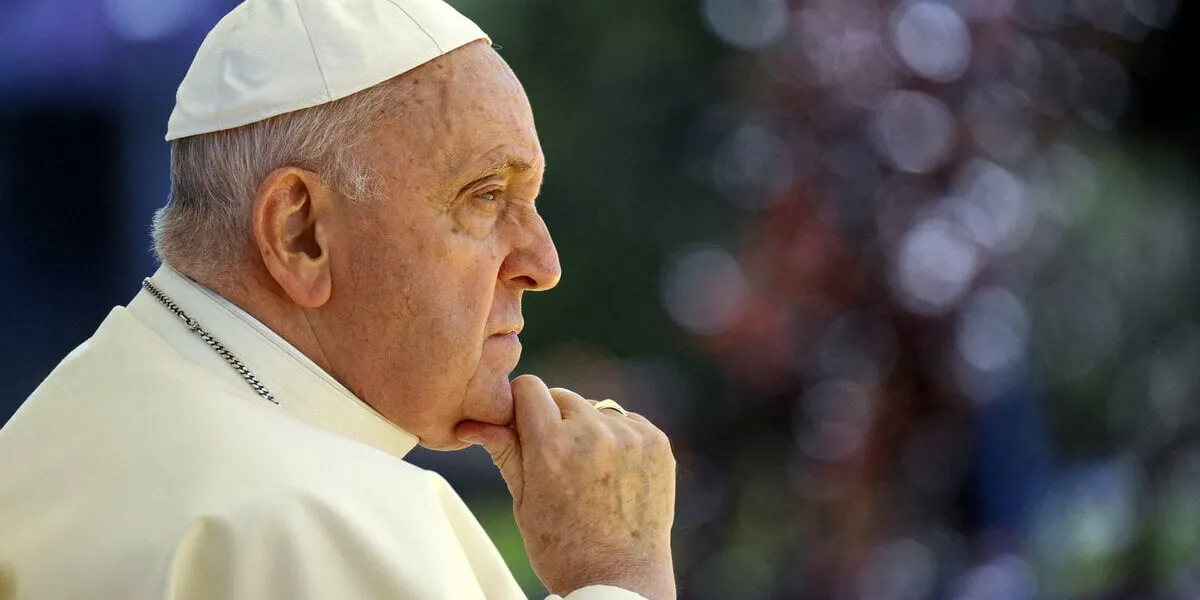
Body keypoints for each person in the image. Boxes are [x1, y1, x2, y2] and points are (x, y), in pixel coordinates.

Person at [0, 1, 677, 598]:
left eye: (530, 201)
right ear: (300, 233)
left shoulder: (60, 423)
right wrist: (619, 574)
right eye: (486, 196)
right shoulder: (325, 524)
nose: (542, 264)